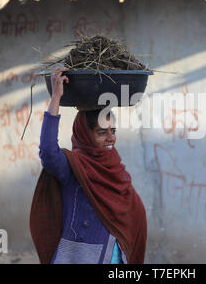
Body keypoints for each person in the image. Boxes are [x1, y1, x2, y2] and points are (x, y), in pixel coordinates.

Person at [30, 68, 147, 264]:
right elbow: (48, 152)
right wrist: (56, 97)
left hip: (115, 257)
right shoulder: (73, 167)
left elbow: (130, 211)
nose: (111, 138)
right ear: (84, 134)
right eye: (102, 132)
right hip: (78, 257)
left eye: (113, 130)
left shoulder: (115, 169)